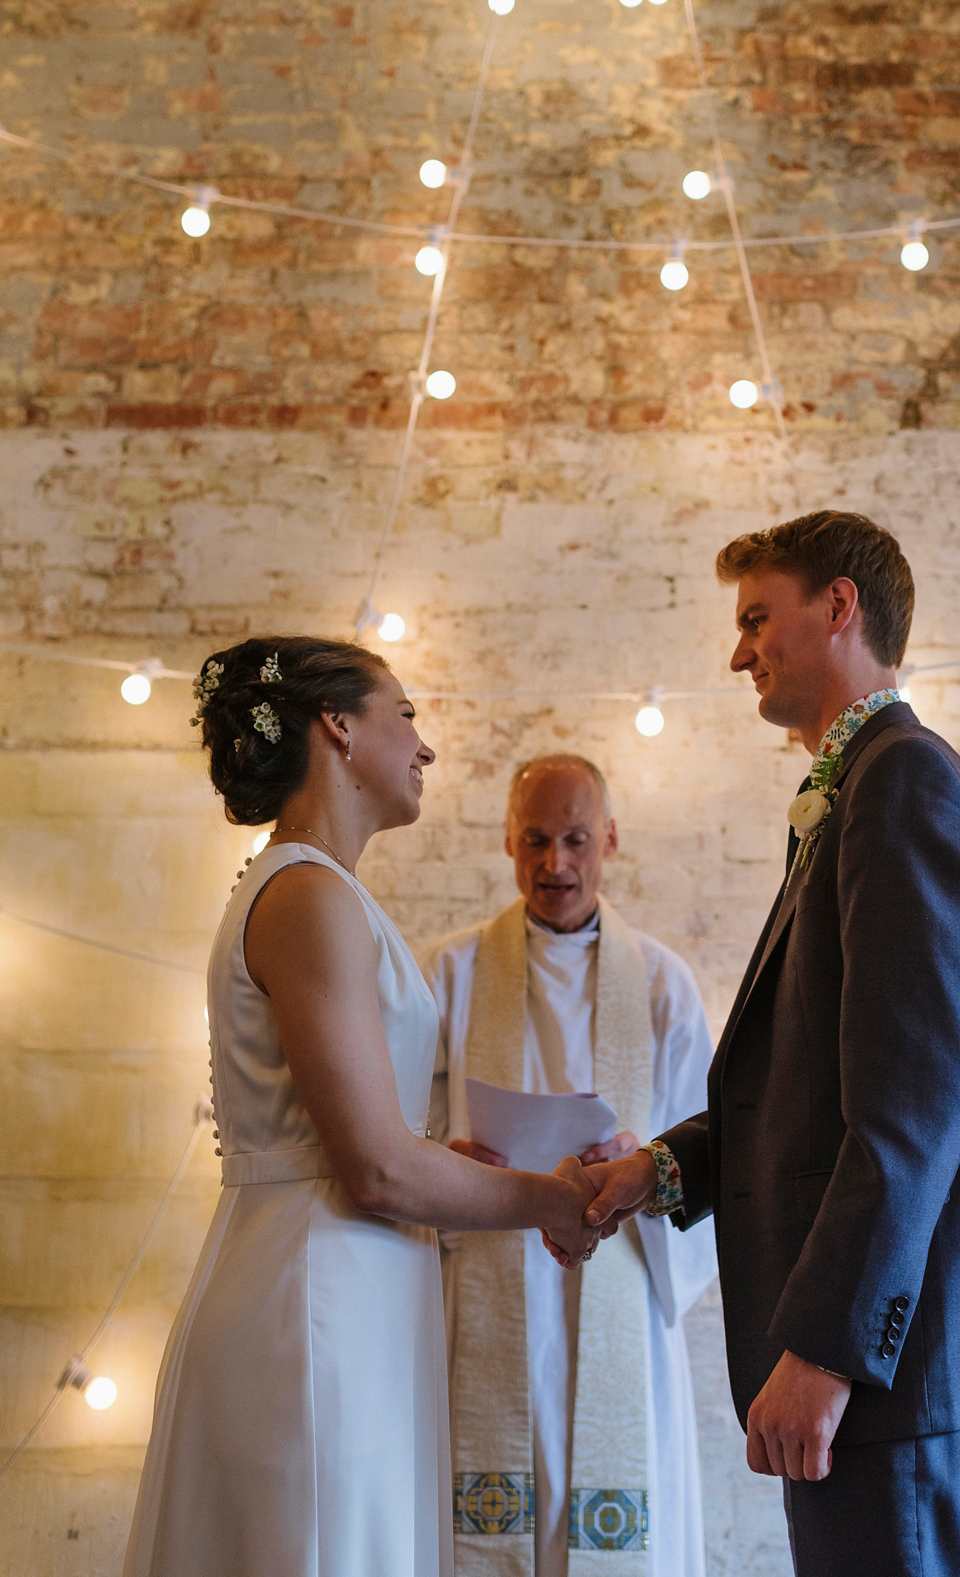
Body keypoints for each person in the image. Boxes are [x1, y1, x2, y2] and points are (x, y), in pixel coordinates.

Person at [580, 512, 960, 1577]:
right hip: (905, 1362)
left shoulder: (901, 783)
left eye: (755, 618)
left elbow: (914, 1106)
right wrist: (659, 1170)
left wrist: (829, 1348)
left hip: (904, 1364)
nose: (738, 652)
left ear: (838, 606)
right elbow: (809, 1089)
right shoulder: (864, 784)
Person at [123, 637, 598, 1577]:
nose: (425, 747)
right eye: (408, 714)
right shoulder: (307, 895)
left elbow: (357, 1137)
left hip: (353, 1275)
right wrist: (554, 1200)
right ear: (338, 727)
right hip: (315, 1298)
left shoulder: (327, 891)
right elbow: (376, 1167)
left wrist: (452, 1162)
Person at [422, 753, 718, 1576]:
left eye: (577, 840)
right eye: (537, 840)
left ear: (611, 840)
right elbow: (389, 1138)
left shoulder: (662, 983)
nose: (556, 864)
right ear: (507, 843)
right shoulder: (450, 973)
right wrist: (444, 1163)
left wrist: (651, 1161)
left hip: (618, 1279)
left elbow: (715, 1145)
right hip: (483, 1288)